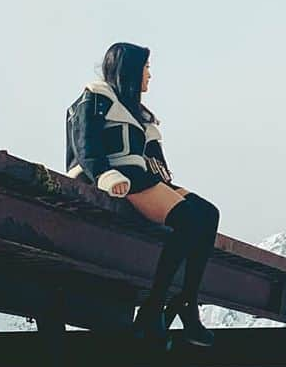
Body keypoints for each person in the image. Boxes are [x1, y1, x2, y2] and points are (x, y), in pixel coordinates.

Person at [64, 42, 218, 348]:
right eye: (146, 68)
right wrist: (104, 175)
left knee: (208, 213)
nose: (150, 75)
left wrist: (168, 187)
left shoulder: (141, 113)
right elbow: (85, 144)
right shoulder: (95, 96)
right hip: (111, 176)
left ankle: (187, 304)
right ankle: (155, 306)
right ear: (131, 69)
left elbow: (155, 163)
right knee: (187, 218)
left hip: (139, 177)